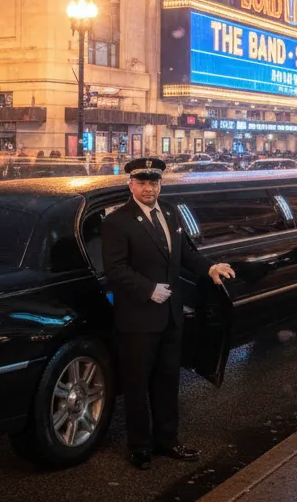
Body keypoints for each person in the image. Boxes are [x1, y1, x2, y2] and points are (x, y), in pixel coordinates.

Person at [101, 157, 236, 468]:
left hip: (171, 315)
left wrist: (209, 268)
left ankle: (168, 441)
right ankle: (140, 447)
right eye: (142, 182)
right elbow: (115, 268)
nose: (148, 188)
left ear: (160, 184)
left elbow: (185, 253)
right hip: (137, 318)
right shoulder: (117, 221)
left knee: (167, 381)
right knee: (137, 385)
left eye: (154, 182)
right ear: (131, 185)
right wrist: (148, 289)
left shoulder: (171, 212)